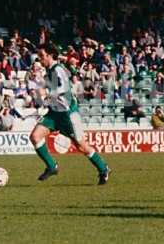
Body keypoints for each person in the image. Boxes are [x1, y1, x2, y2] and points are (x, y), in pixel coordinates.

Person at [29, 44, 110, 185]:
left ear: (49, 55)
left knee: (81, 146)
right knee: (35, 136)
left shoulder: (58, 69)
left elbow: (63, 87)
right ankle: (52, 166)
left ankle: (103, 169)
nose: (39, 58)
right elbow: (48, 88)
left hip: (68, 114)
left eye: (42, 55)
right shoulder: (49, 71)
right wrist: (37, 83)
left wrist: (46, 92)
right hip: (55, 113)